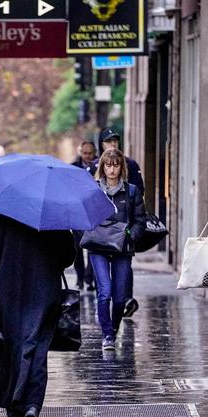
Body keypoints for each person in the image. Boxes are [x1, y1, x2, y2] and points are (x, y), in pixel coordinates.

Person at [0, 212, 76, 417]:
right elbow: (67, 256)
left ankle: (15, 415)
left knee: (11, 350)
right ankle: (32, 406)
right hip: (44, 290)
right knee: (36, 350)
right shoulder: (52, 212)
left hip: (6, 292)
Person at [87, 148, 145, 351]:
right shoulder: (93, 190)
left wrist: (130, 235)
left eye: (116, 165)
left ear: (122, 167)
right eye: (108, 165)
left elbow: (140, 221)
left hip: (122, 249)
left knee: (120, 298)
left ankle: (113, 327)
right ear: (102, 167)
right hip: (98, 247)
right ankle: (107, 335)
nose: (112, 170)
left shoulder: (131, 191)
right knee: (104, 292)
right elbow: (83, 216)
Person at [96, 128, 145, 318]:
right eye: (108, 141)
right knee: (104, 291)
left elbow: (139, 192)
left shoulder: (130, 165)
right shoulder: (95, 169)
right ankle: (107, 331)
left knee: (122, 276)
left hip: (122, 232)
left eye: (115, 141)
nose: (112, 144)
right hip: (100, 236)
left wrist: (130, 233)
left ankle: (125, 298)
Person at [71, 141, 98, 291]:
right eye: (85, 153)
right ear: (80, 152)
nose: (88, 156)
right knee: (78, 248)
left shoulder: (99, 167)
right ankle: (80, 278)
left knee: (93, 246)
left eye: (90, 153)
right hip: (77, 213)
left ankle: (89, 279)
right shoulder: (73, 167)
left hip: (93, 212)